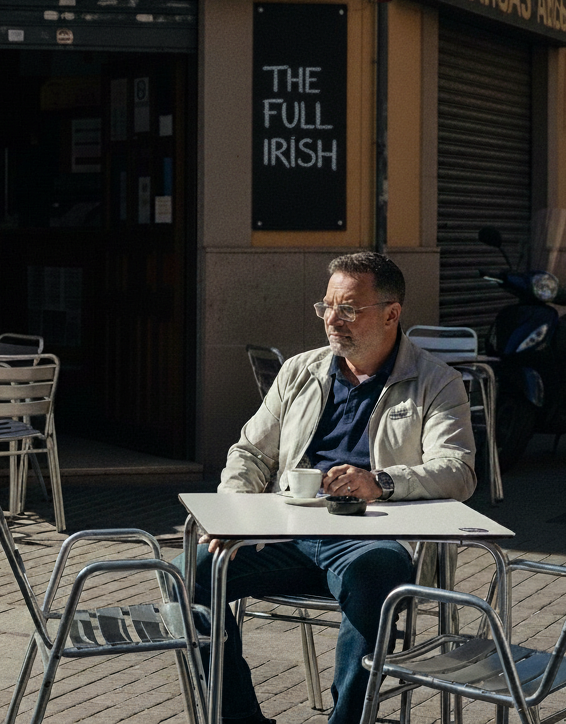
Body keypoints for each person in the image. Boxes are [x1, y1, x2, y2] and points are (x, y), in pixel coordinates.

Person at [183, 251, 476, 724]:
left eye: (348, 309)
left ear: (391, 313)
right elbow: (250, 452)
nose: (332, 320)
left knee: (376, 575)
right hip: (284, 533)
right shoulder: (302, 371)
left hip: (368, 539)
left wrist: (379, 482)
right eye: (327, 307)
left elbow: (457, 469)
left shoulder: (435, 382)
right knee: (191, 574)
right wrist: (234, 516)